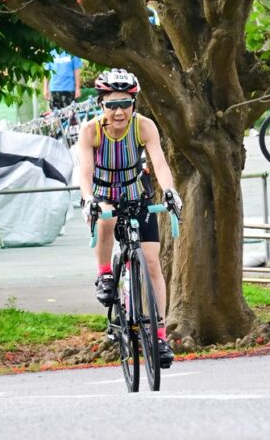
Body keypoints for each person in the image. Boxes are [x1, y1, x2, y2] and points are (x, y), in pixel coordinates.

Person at [77, 68, 182, 369]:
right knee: (106, 219)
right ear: (101, 105)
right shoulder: (91, 131)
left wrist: (171, 192)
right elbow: (84, 172)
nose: (119, 111)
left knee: (151, 262)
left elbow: (159, 164)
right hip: (101, 194)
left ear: (134, 104)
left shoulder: (144, 126)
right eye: (112, 104)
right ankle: (105, 273)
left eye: (125, 103)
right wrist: (89, 200)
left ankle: (159, 336)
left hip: (137, 193)